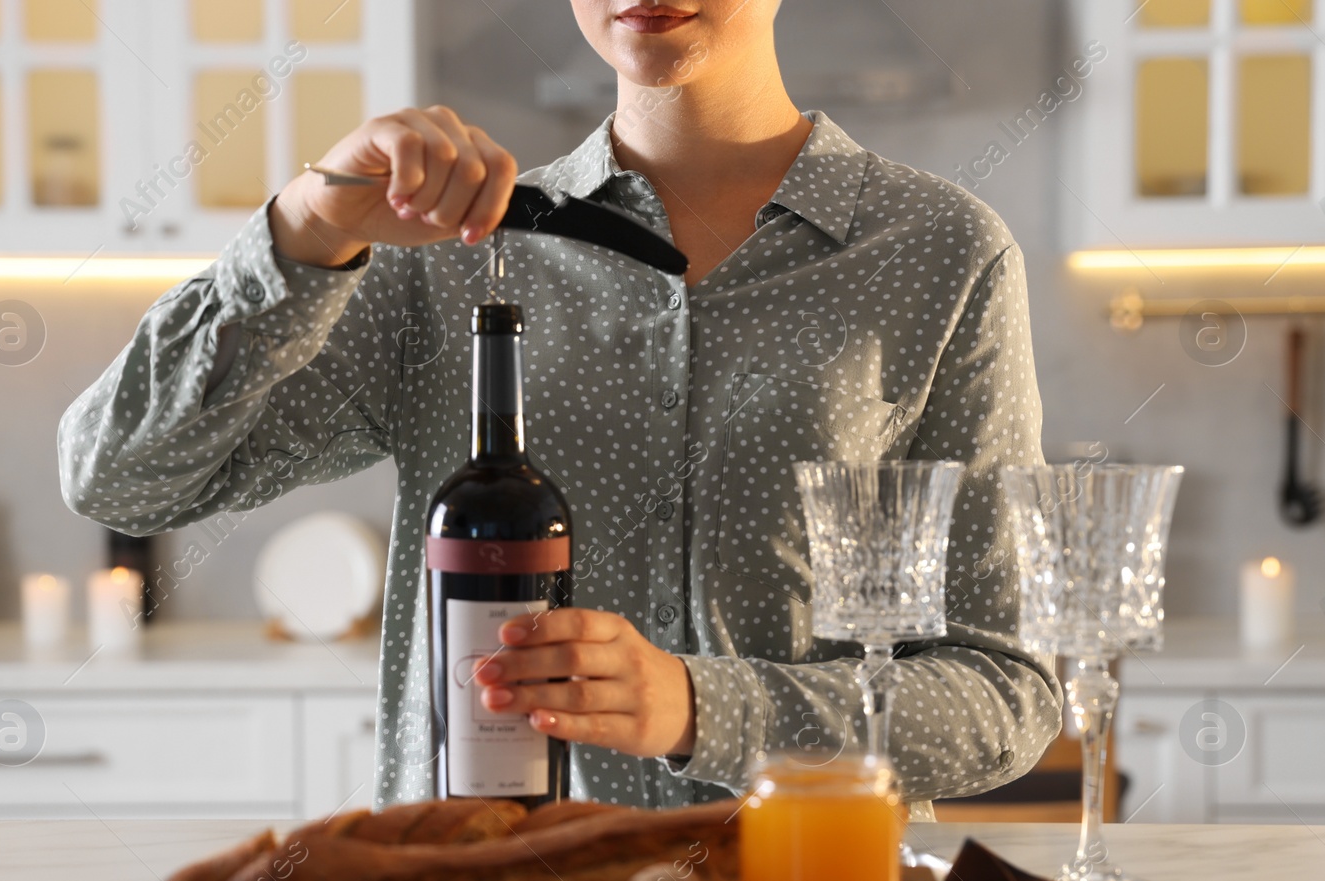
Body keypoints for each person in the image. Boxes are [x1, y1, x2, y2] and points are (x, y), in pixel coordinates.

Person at [59, 0, 1061, 814]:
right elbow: (123, 478)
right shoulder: (436, 259)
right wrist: (302, 231)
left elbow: (1004, 697)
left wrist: (699, 705)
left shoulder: (944, 252)